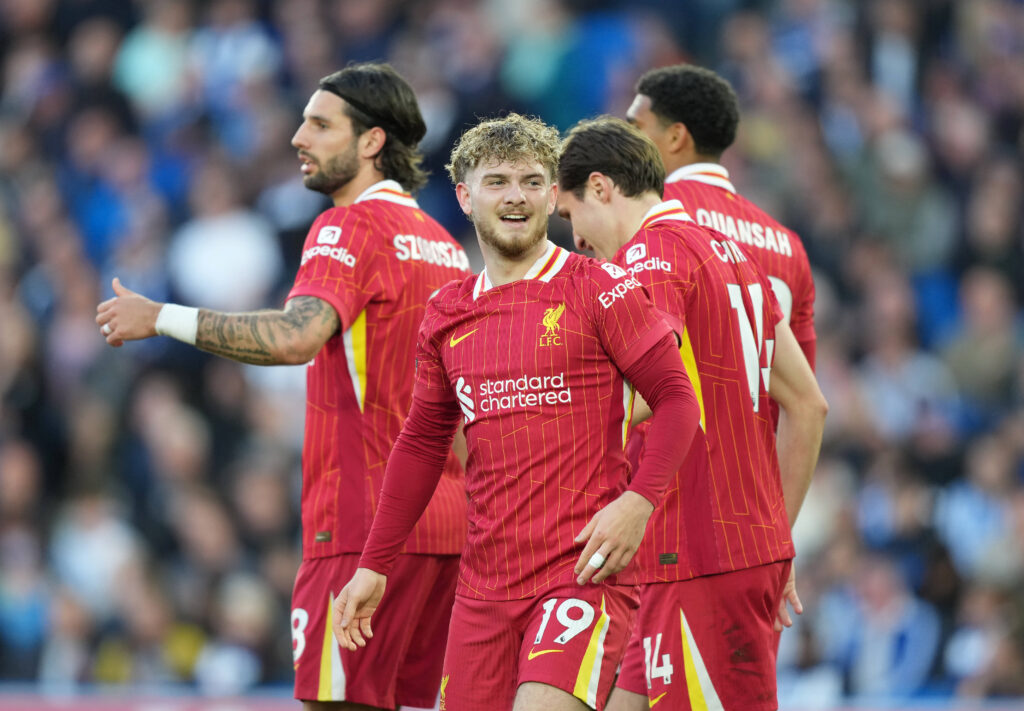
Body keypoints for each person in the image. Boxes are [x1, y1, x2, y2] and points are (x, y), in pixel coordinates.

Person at [96, 62, 470, 711]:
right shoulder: (447, 248)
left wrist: (161, 317)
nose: (299, 137)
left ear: (372, 141)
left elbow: (296, 336)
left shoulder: (347, 226)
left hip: (362, 526)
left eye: (320, 125)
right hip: (445, 531)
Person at [331, 113, 701, 711]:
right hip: (483, 589)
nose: (516, 197)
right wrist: (375, 564)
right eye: (497, 182)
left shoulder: (600, 287)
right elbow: (422, 444)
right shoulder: (446, 311)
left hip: (580, 574)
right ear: (465, 196)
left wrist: (638, 502)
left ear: (553, 195)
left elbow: (678, 398)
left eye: (531, 182)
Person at [555, 117, 827, 711]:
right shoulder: (734, 254)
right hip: (721, 548)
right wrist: (775, 537)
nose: (575, 240)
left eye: (570, 215)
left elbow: (655, 389)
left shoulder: (647, 259)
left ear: (600, 187)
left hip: (697, 551)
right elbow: (809, 404)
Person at [626, 63, 817, 369]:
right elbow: (804, 389)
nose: (623, 141)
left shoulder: (644, 213)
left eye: (635, 128)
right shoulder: (790, 246)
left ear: (676, 137)